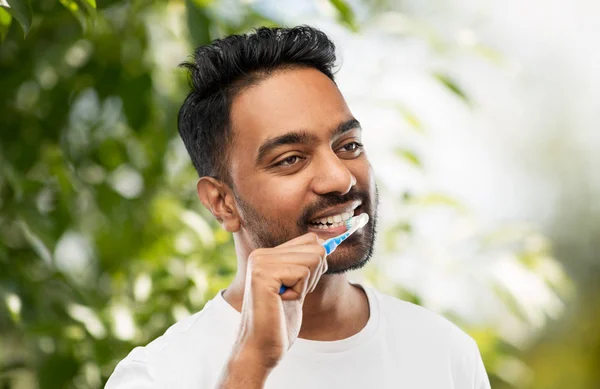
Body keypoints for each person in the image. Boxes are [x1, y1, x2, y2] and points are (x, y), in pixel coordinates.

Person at [105, 25, 491, 389]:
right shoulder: (158, 375)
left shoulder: (446, 354)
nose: (340, 178)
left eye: (349, 146)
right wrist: (250, 363)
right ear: (222, 203)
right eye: (291, 159)